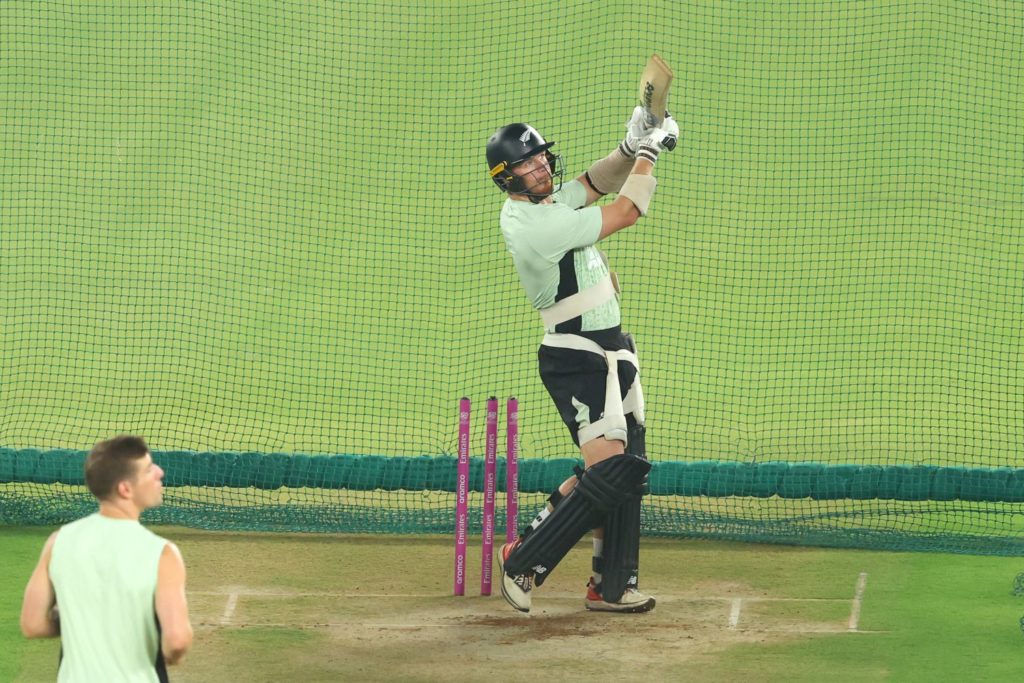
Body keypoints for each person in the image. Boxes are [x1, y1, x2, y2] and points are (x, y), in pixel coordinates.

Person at [487, 107, 678, 613]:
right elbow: (625, 212)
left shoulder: (548, 203)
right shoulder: (535, 224)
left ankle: (611, 586)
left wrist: (628, 146)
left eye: (540, 157)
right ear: (508, 180)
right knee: (613, 471)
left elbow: (594, 183)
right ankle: (523, 560)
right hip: (576, 356)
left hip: (612, 349)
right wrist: (650, 153)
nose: (542, 167)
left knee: (623, 471)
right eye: (528, 165)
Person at [20, 435, 193, 682]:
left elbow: (32, 624)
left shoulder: (58, 542)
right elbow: (177, 640)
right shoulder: (161, 553)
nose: (159, 472)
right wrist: (172, 656)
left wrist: (76, 621)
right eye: (148, 470)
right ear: (125, 489)